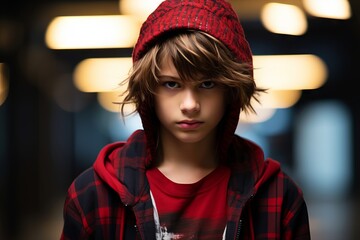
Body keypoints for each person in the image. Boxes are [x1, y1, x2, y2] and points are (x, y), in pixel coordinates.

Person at [60, 0, 311, 239]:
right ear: (149, 91)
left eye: (207, 84)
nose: (190, 105)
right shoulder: (93, 195)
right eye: (171, 84)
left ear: (231, 91)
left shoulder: (278, 197)